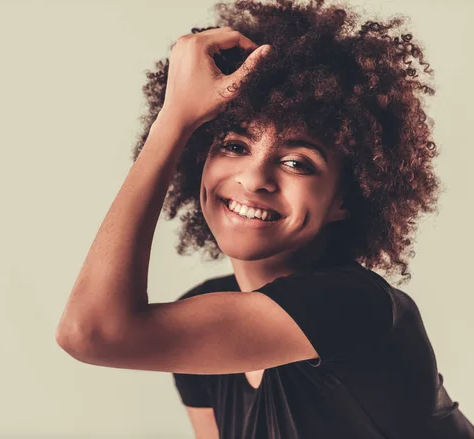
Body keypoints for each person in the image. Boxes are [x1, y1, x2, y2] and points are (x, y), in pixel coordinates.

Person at [55, 0, 474, 437]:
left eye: (297, 162)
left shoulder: (353, 306)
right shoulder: (206, 310)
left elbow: (91, 331)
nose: (254, 179)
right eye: (234, 146)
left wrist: (173, 120)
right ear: (201, 156)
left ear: (345, 200)